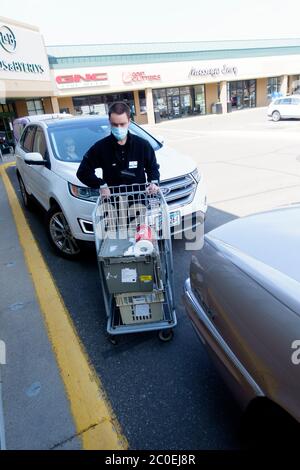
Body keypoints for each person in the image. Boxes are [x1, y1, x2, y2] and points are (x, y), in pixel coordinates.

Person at [76, 101, 160, 196]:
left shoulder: (142, 145)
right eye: (115, 124)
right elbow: (83, 172)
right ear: (109, 122)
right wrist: (100, 184)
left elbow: (152, 167)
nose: (119, 128)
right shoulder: (100, 148)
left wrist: (153, 183)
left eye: (122, 124)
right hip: (112, 202)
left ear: (129, 121)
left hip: (138, 200)